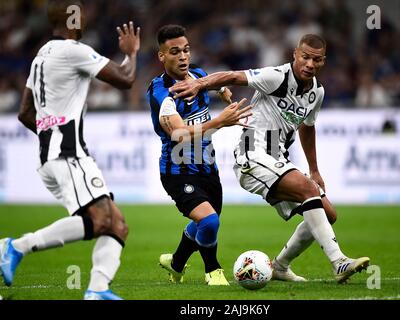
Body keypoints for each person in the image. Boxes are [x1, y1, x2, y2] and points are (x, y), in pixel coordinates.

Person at [170, 34, 370, 283]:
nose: (309, 64)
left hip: (277, 159)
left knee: (328, 213)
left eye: (316, 60)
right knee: (309, 190)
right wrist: (199, 85)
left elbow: (307, 127)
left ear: (323, 61)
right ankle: (339, 262)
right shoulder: (276, 77)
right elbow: (233, 76)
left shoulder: (316, 92)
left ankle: (280, 266)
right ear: (295, 55)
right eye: (305, 57)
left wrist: (315, 169)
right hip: (251, 155)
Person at [0, 0, 140, 299]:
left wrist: (50, 133)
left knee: (117, 225)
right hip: (67, 153)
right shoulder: (73, 50)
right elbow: (126, 80)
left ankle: (97, 290)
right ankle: (16, 246)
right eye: (80, 13)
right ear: (71, 20)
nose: (85, 17)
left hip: (55, 154)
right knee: (101, 221)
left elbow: (25, 113)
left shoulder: (41, 56)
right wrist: (131, 53)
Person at [147, 25, 251, 286]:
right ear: (162, 56)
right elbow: (179, 134)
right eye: (174, 52)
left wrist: (225, 94)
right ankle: (213, 271)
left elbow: (215, 84)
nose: (183, 56)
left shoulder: (198, 75)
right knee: (209, 220)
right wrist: (219, 121)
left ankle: (176, 263)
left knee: (206, 224)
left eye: (186, 50)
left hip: (207, 168)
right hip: (177, 170)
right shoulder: (161, 93)